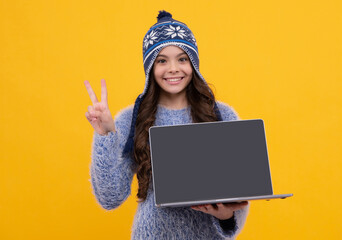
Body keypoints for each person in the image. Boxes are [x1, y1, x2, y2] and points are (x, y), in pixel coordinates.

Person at [84, 10, 250, 239]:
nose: (173, 68)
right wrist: (105, 135)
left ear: (193, 63)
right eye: (162, 60)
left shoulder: (222, 114)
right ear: (150, 67)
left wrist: (225, 217)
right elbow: (110, 198)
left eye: (182, 58)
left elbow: (241, 192)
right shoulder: (130, 119)